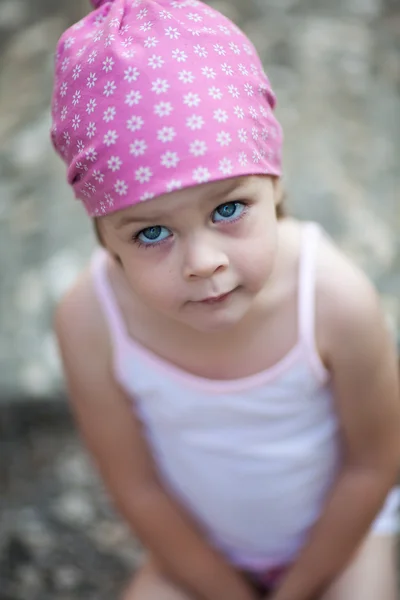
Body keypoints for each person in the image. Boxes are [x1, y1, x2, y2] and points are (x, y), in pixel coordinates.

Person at [50, 1, 400, 599]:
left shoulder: (335, 302)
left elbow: (374, 466)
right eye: (151, 233)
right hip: (194, 552)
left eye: (228, 208)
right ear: (104, 234)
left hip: (345, 539)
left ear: (275, 183)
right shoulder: (90, 322)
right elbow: (137, 489)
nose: (203, 261)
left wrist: (296, 591)